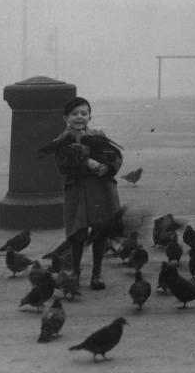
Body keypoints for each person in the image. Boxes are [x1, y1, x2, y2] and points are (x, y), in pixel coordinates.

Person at [51, 97, 124, 290]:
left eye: (84, 113)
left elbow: (116, 156)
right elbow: (62, 165)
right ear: (66, 118)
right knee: (77, 233)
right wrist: (84, 162)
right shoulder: (62, 140)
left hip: (100, 189)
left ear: (90, 117)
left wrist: (108, 166)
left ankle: (97, 273)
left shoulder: (98, 134)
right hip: (77, 190)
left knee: (100, 232)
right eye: (75, 114)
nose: (79, 117)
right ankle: (75, 271)